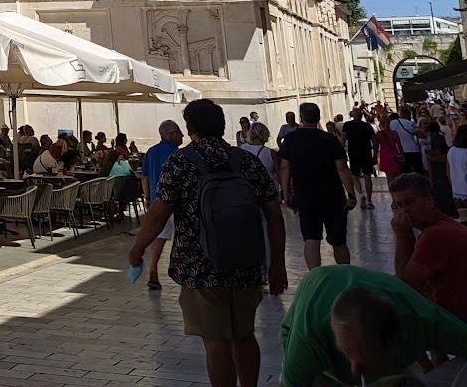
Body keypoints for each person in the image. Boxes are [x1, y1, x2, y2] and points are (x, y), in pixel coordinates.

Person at [127, 100, 286, 387]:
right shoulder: (246, 161)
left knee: (216, 341)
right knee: (244, 335)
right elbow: (275, 216)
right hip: (246, 263)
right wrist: (278, 264)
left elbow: (158, 214)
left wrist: (138, 248)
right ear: (223, 126)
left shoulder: (179, 162)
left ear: (190, 129)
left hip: (200, 266)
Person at [279, 266, 467, 385]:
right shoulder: (309, 336)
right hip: (313, 298)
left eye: (364, 361)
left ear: (400, 343)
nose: (355, 371)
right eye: (347, 355)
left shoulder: (427, 321)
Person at [390, 171, 467, 340]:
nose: (404, 211)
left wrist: (401, 235)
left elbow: (405, 284)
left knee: (396, 308)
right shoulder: (445, 225)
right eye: (398, 206)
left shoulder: (436, 235)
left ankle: (432, 363)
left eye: (409, 202)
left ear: (429, 200)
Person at [277, 101, 356, 270]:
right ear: (318, 117)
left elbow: (284, 167)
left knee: (311, 238)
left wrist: (285, 194)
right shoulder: (330, 140)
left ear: (301, 118)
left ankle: (316, 277)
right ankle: (346, 275)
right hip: (333, 197)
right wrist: (351, 193)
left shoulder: (291, 139)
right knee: (339, 240)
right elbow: (342, 168)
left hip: (305, 196)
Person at [136, 118, 183, 291]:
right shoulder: (178, 153)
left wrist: (147, 198)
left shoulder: (151, 152)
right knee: (183, 235)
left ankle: (153, 269)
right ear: (172, 134)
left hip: (157, 202)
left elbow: (145, 176)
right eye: (180, 132)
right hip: (177, 203)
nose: (183, 136)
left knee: (159, 236)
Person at [339, 106, 375, 208]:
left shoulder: (347, 125)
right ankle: (369, 200)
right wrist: (375, 153)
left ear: (353, 115)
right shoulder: (367, 126)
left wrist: (340, 152)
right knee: (367, 176)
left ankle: (361, 193)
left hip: (353, 153)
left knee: (355, 176)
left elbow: (343, 139)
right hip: (366, 153)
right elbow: (374, 140)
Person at [389, 106, 422, 173]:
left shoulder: (392, 123)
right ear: (408, 115)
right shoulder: (410, 123)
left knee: (404, 171)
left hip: (400, 151)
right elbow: (421, 135)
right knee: (417, 170)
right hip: (413, 150)